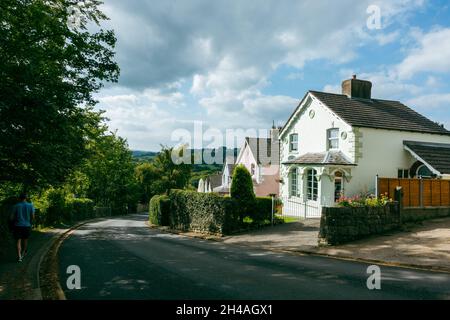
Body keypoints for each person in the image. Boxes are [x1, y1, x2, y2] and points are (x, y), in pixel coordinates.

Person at [11, 193, 35, 262]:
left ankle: (19, 256)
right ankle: (23, 253)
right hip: (27, 226)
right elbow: (33, 217)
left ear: (19, 198)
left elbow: (11, 218)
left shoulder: (15, 206)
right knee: (25, 240)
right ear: (26, 198)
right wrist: (31, 223)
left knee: (18, 241)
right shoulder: (30, 205)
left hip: (17, 226)